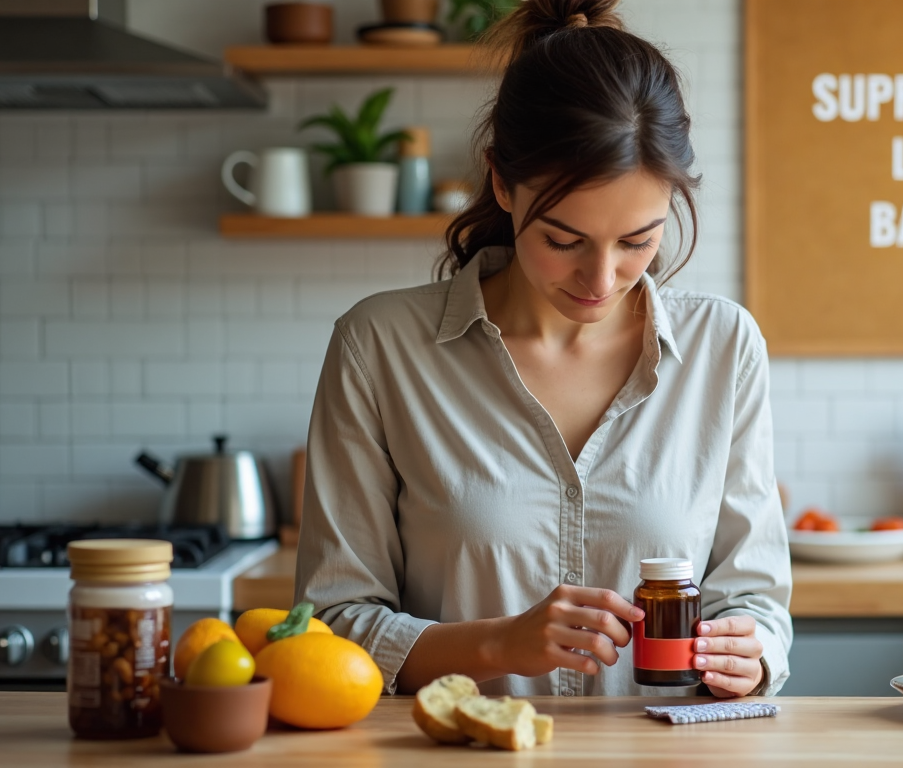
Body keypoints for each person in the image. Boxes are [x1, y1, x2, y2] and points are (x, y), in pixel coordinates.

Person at [296, 0, 792, 699]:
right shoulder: (378, 347)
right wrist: (497, 644)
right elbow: (333, 623)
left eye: (638, 241)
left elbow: (756, 598)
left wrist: (753, 653)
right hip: (461, 744)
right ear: (502, 182)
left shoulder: (724, 347)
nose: (601, 280)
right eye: (564, 240)